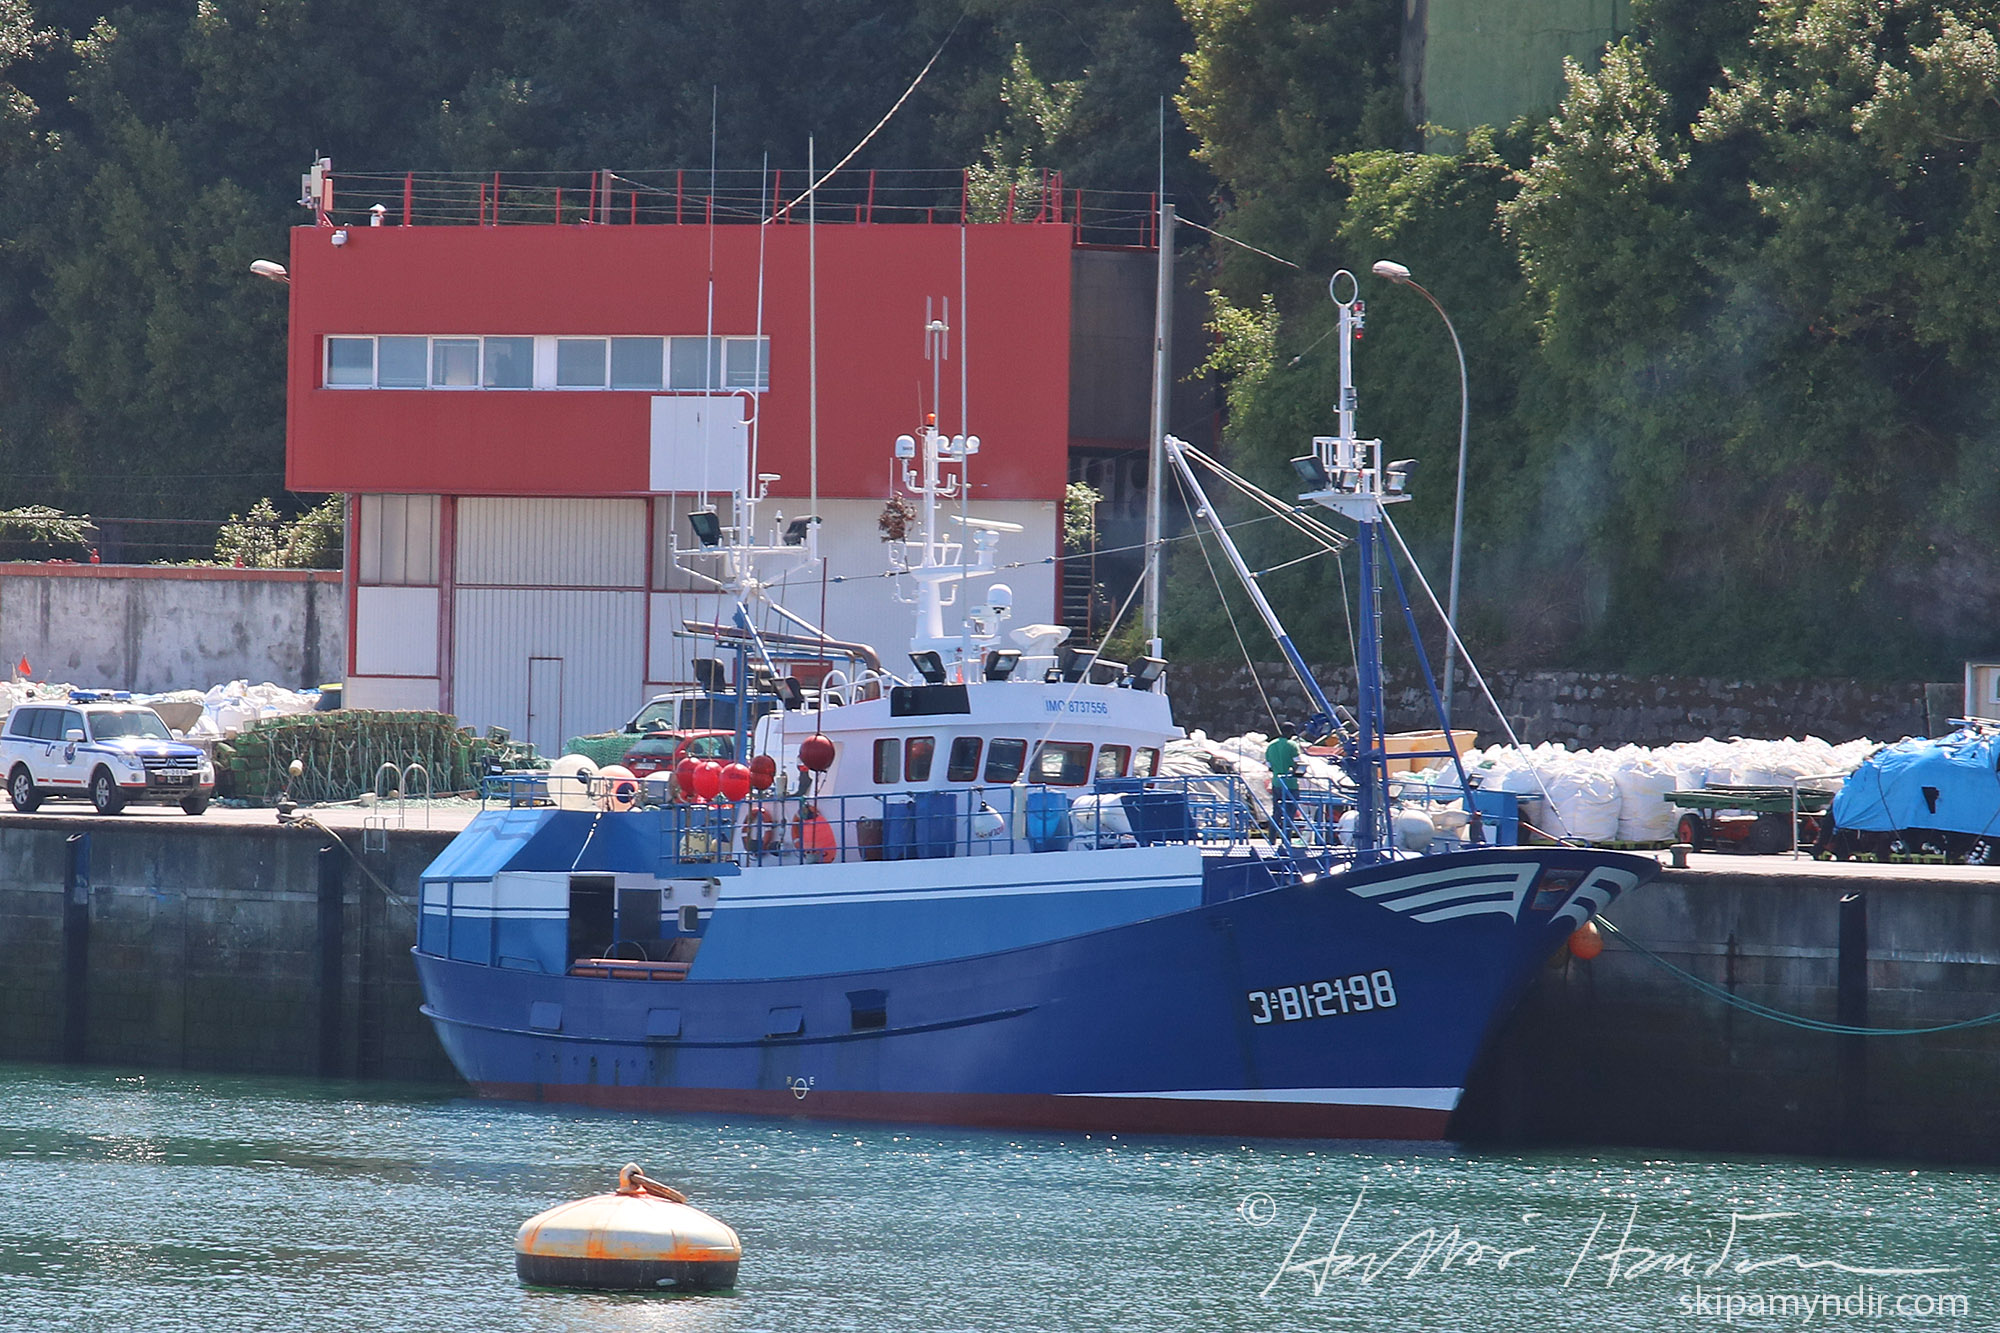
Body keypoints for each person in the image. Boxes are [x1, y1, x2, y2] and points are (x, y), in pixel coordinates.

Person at [1265, 730, 1301, 832]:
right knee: (1290, 813)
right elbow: (1298, 763)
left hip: (1276, 783)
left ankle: (1272, 837)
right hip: (1291, 784)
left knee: (1277, 812)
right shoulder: (1292, 745)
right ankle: (1287, 837)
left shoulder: (1271, 745)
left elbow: (1269, 766)